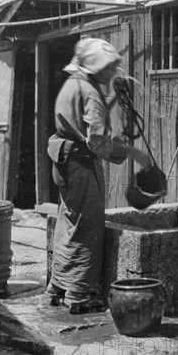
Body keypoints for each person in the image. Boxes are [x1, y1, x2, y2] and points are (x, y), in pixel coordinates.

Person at [45, 38, 151, 314]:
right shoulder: (90, 92)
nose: (111, 72)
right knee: (88, 225)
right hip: (81, 164)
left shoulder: (73, 85)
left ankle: (58, 286)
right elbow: (95, 139)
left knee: (69, 221)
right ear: (94, 66)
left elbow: (82, 121)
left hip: (63, 161)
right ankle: (80, 293)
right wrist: (127, 151)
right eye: (107, 67)